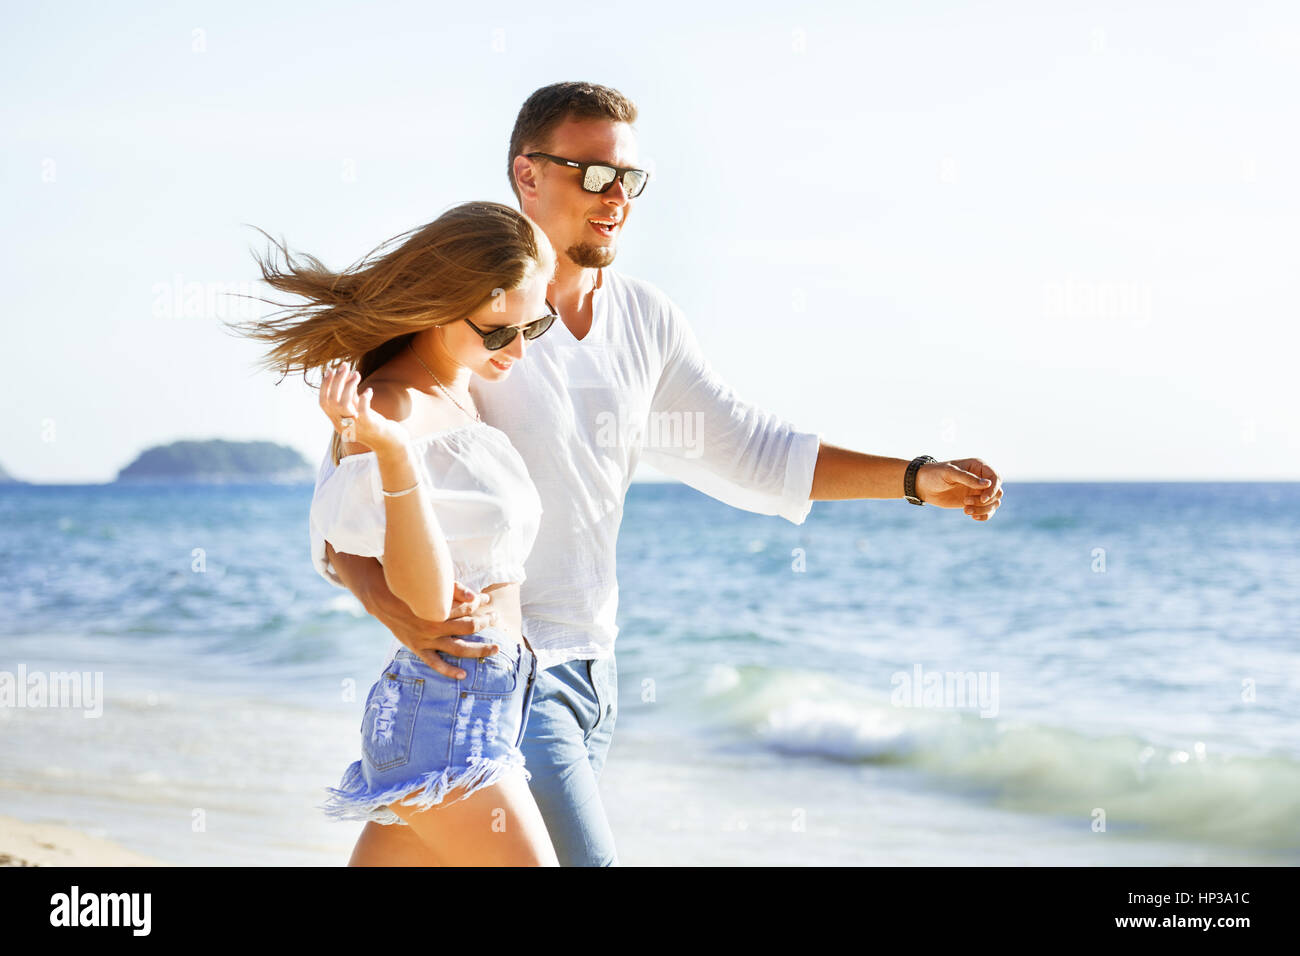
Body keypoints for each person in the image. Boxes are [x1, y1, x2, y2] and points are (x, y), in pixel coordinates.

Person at [319, 82, 1006, 867]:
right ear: (527, 175)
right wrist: (389, 605)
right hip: (507, 679)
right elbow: (349, 495)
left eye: (630, 180)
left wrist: (916, 478)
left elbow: (752, 451)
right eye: (595, 175)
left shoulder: (646, 320)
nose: (617, 199)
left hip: (592, 679)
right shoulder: (477, 316)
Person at [235, 201, 562, 865]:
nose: (520, 349)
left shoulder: (460, 392)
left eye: (536, 324)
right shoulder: (390, 408)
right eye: (499, 331)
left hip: (479, 712)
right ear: (441, 305)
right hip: (446, 722)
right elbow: (423, 598)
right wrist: (390, 452)